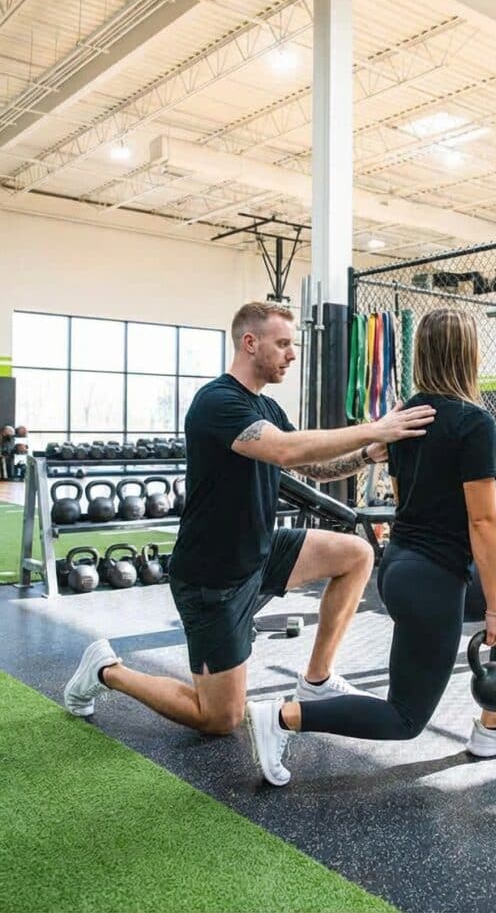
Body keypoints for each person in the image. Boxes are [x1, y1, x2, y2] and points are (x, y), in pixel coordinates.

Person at [64, 301, 435, 770]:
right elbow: (284, 451)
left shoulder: (267, 406)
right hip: (213, 576)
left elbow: (312, 466)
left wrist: (368, 453)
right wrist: (374, 427)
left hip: (261, 551)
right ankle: (106, 670)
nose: (292, 354)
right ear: (250, 343)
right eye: (283, 344)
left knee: (356, 554)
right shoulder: (217, 402)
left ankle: (316, 680)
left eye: (292, 345)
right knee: (220, 718)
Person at [248, 307, 496, 785]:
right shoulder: (474, 423)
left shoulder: (403, 418)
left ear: (423, 353)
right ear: (468, 355)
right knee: (404, 718)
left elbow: (405, 497)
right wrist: (494, 609)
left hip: (404, 567)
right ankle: (282, 717)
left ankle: (493, 727)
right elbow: (483, 522)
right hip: (431, 580)